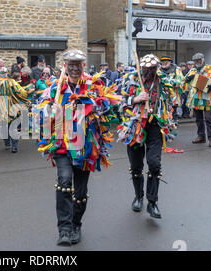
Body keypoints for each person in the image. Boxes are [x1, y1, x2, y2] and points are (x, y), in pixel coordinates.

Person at [36, 49, 117, 246]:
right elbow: (40, 112)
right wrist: (48, 110)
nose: (73, 68)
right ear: (65, 66)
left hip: (85, 147)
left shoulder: (93, 85)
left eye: (77, 64)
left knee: (80, 192)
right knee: (64, 181)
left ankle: (76, 225)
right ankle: (64, 229)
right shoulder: (55, 87)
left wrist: (87, 103)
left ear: (82, 66)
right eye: (70, 64)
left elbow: (107, 107)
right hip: (62, 144)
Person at [117, 54, 175, 219]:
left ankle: (152, 202)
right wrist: (135, 99)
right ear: (141, 67)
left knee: (154, 164)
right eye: (147, 69)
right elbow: (118, 102)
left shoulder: (163, 81)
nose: (150, 71)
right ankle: (138, 197)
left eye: (153, 68)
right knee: (136, 165)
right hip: (134, 126)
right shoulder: (129, 79)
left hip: (155, 126)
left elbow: (172, 99)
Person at [185, 53, 211, 147]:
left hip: (207, 99)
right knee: (198, 119)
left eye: (199, 60)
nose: (197, 62)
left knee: (209, 119)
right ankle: (201, 136)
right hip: (196, 98)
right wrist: (188, 78)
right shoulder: (192, 70)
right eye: (196, 61)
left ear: (203, 59)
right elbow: (185, 80)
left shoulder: (210, 70)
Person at [160, 56, 184, 121]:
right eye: (162, 61)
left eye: (166, 61)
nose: (164, 63)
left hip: (173, 97)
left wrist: (170, 82)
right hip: (161, 97)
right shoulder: (158, 70)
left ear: (170, 62)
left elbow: (181, 82)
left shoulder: (177, 70)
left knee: (173, 115)